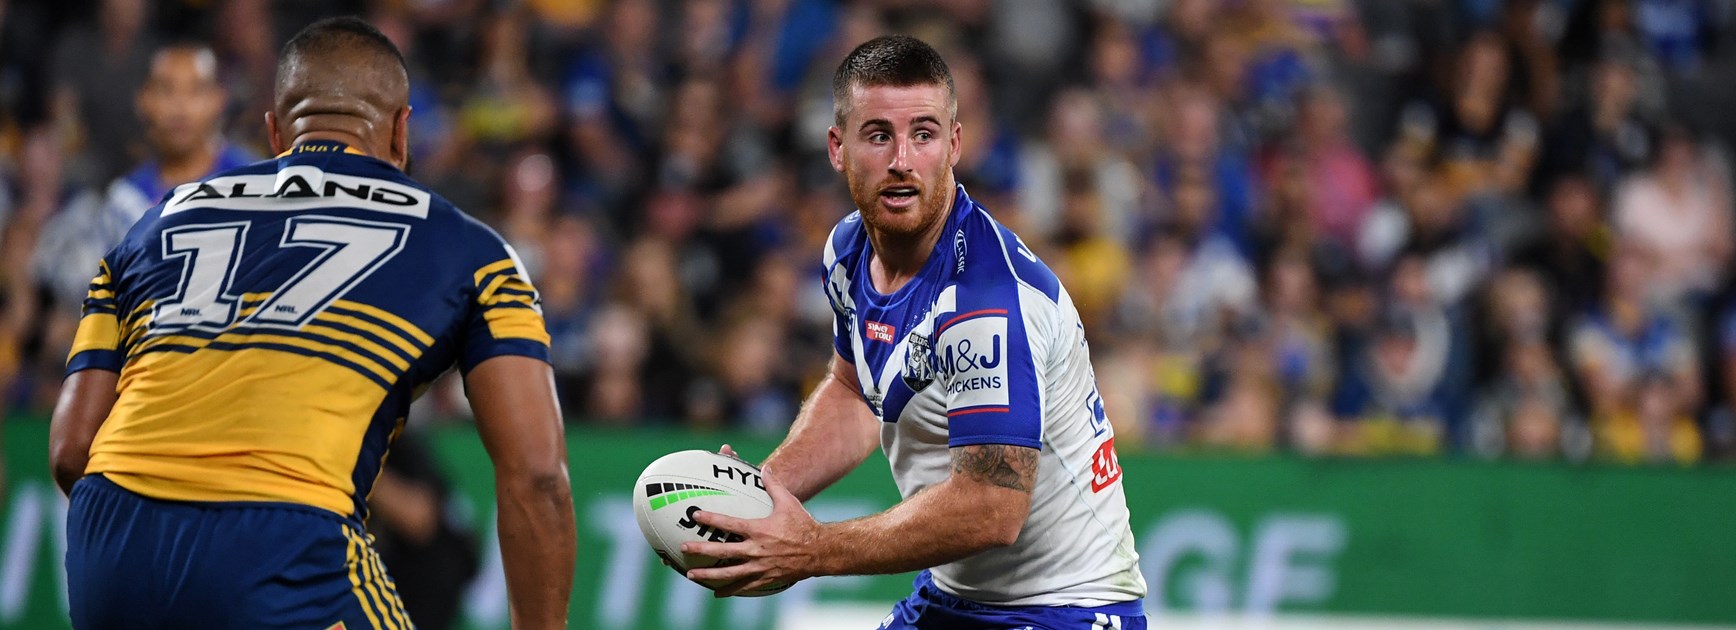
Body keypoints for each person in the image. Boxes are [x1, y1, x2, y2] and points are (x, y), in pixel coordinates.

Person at [47, 17, 575, 629]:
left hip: (110, 546)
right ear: (401, 132)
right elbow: (537, 477)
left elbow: (71, 450)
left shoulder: (154, 222)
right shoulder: (473, 249)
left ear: (275, 133)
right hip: (285, 543)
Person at [679, 36, 1148, 629]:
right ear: (837, 148)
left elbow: (991, 509)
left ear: (954, 144)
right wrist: (763, 491)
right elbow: (854, 393)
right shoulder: (847, 250)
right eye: (878, 135)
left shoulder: (987, 302)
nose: (902, 159)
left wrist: (813, 549)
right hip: (950, 596)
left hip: (1068, 609)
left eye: (923, 134)